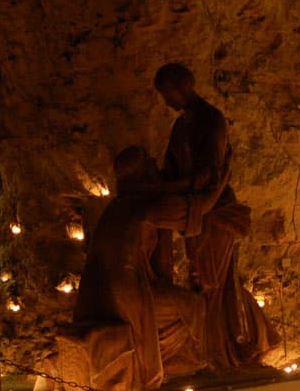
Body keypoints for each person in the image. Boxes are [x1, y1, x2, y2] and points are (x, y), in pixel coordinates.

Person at [153, 63, 278, 370]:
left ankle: (228, 351)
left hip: (215, 210)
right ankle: (211, 351)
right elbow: (172, 168)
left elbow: (208, 174)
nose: (166, 102)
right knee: (200, 281)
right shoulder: (181, 126)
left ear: (182, 86)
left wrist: (167, 185)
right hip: (194, 213)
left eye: (167, 94)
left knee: (215, 282)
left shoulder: (211, 119)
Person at [72, 146, 224, 390]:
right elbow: (199, 208)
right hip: (129, 289)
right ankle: (187, 362)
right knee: (194, 305)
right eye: (149, 164)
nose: (155, 166)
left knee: (174, 305)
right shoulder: (146, 207)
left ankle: (171, 359)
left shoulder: (115, 207)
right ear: (143, 173)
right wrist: (219, 178)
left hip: (105, 294)